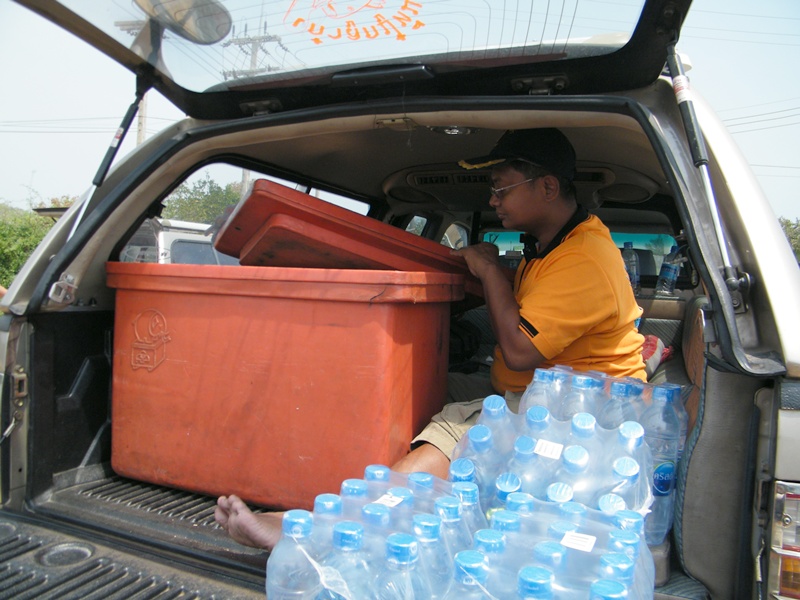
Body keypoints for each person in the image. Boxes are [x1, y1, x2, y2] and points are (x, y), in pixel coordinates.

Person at [215, 128, 646, 549]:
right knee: (404, 387)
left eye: (502, 189)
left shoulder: (584, 258)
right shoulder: (551, 247)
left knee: (454, 423)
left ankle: (328, 527)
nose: (492, 200)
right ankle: (333, 488)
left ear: (548, 186)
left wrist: (490, 270)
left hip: (576, 411)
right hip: (536, 389)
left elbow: (518, 352)